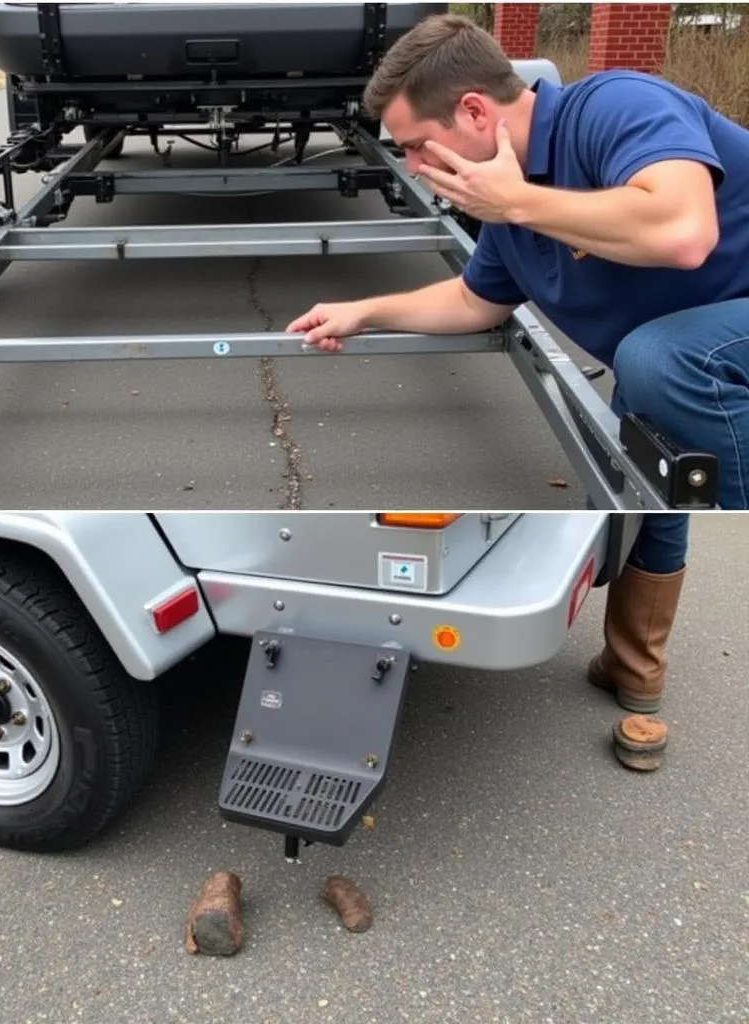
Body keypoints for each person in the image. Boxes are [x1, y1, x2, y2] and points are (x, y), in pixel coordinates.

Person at [287, 13, 749, 725]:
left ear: (474, 110)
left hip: (714, 340)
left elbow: (684, 232)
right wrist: (366, 310)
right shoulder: (505, 208)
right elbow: (476, 300)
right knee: (640, 463)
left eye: (415, 146)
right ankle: (634, 671)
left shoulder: (614, 107)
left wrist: (513, 202)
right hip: (700, 345)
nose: (411, 165)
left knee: (658, 366)